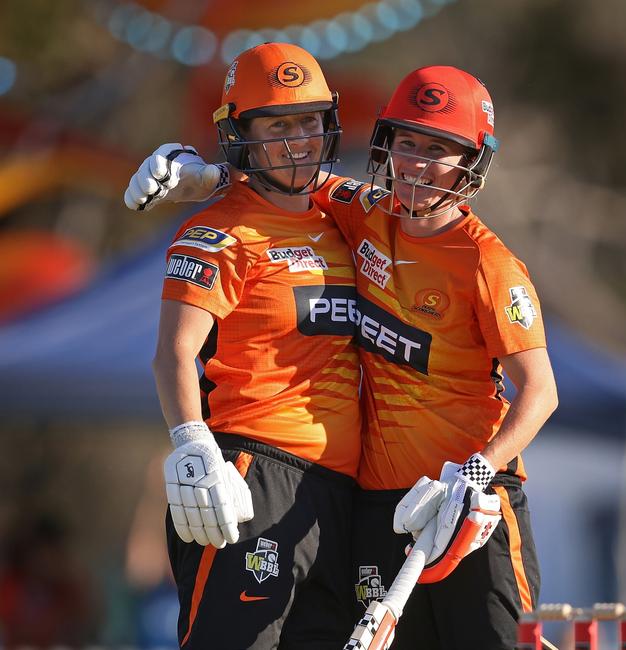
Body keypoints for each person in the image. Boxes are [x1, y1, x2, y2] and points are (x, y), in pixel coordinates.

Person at [127, 64, 558, 650]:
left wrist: (478, 472)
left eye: (440, 150)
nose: (418, 165)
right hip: (374, 507)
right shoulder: (362, 210)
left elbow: (540, 391)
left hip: (469, 503)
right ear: (385, 145)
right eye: (408, 144)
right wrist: (207, 175)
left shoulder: (489, 263)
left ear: (471, 164)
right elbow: (289, 169)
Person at [149, 42, 362, 650]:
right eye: (277, 124)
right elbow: (173, 352)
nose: (297, 139)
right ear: (241, 132)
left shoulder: (340, 221)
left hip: (340, 491)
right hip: (251, 475)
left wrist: (217, 173)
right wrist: (191, 445)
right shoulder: (218, 232)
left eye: (308, 120)